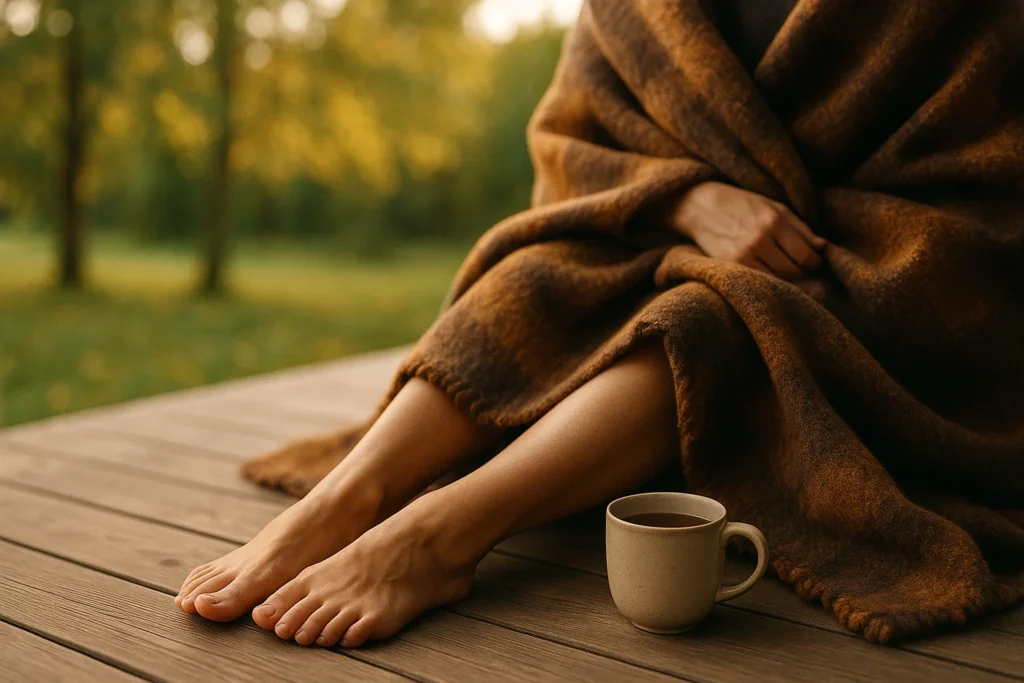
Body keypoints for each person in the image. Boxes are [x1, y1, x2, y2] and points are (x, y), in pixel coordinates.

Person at [176, 0, 1024, 647]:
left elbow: (988, 169)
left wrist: (816, 235)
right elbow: (569, 139)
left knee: (710, 317)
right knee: (536, 275)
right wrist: (687, 198)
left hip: (876, 263)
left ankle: (439, 534)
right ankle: (342, 500)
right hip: (667, 227)